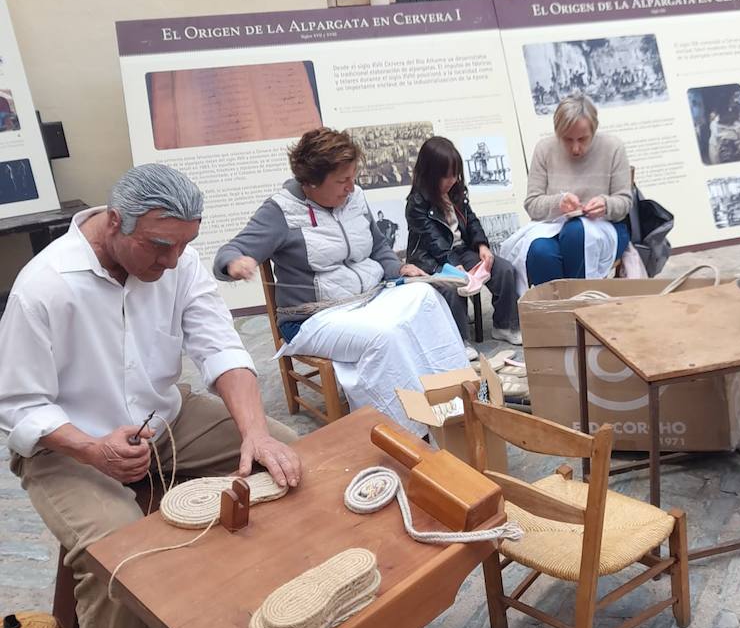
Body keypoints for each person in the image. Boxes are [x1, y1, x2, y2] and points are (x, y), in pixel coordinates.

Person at [0, 165, 301, 628]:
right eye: (158, 246)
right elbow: (19, 407)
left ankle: (283, 610)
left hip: (163, 421)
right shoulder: (44, 287)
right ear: (115, 224)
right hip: (66, 447)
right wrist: (91, 449)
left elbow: (221, 349)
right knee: (119, 547)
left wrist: (255, 432)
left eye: (184, 245)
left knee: (288, 452)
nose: (171, 260)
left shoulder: (176, 262)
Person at [214, 128, 469, 435]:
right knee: (384, 338)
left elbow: (377, 245)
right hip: (314, 316)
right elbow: (230, 251)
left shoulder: (354, 197)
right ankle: (406, 432)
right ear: (310, 182)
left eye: (353, 177)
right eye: (341, 180)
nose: (351, 187)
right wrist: (235, 263)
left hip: (369, 297)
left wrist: (398, 270)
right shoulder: (281, 211)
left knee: (429, 299)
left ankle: (458, 400)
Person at [405, 136, 521, 345]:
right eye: (446, 176)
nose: (452, 180)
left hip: (462, 250)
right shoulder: (416, 203)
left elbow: (471, 220)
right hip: (430, 257)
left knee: (504, 270)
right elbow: (433, 240)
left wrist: (482, 245)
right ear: (430, 174)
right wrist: (452, 265)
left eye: (455, 175)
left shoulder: (455, 191)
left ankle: (505, 325)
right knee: (453, 284)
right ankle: (459, 341)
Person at [522, 94, 632, 284]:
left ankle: (577, 302)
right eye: (567, 139)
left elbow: (624, 202)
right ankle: (556, 309)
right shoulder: (544, 149)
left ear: (594, 130)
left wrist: (606, 204)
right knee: (539, 251)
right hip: (554, 227)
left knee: (576, 232)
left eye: (582, 139)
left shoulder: (613, 147)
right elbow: (532, 204)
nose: (575, 148)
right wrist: (559, 202)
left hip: (605, 226)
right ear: (557, 133)